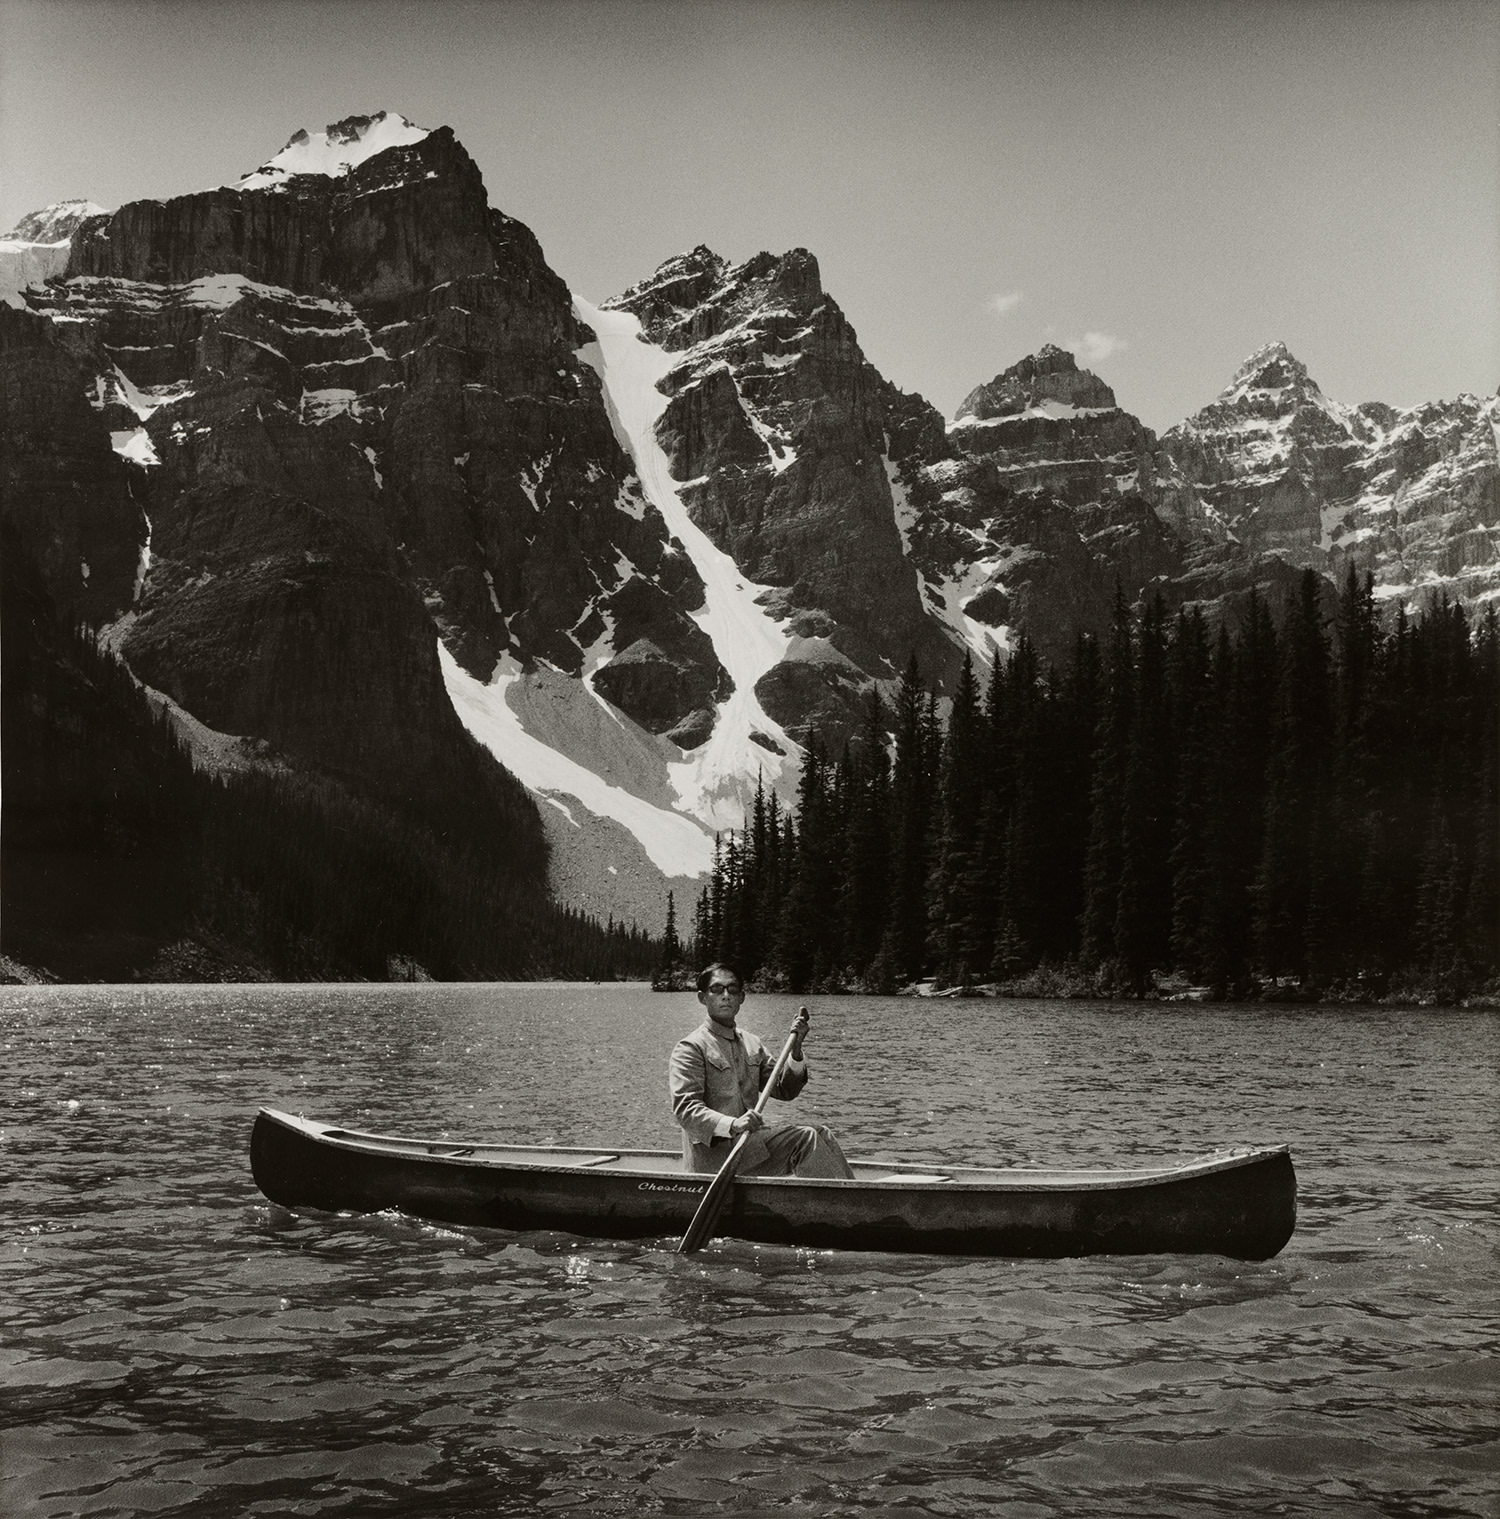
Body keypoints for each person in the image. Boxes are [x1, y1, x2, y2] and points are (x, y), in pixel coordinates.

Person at [669, 962, 854, 1178]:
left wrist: (796, 1051)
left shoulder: (751, 1043)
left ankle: (852, 1198)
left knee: (822, 1133)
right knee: (806, 1139)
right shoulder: (691, 1048)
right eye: (717, 989)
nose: (726, 995)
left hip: (751, 1149)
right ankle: (849, 1204)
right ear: (703, 998)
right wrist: (733, 1124)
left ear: (742, 997)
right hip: (716, 1160)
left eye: (733, 989)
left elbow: (784, 1090)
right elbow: (686, 1110)